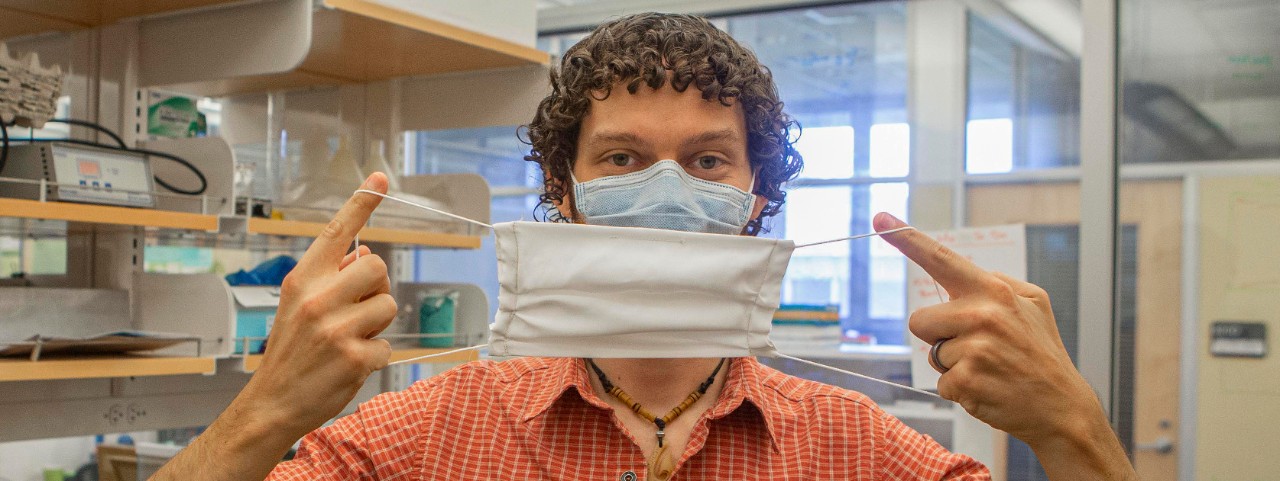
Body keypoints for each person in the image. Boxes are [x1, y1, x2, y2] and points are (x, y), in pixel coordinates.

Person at [152, 13, 1137, 480]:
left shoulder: (855, 447)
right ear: (560, 192)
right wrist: (266, 407)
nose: (667, 190)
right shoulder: (411, 441)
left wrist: (1074, 434)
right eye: (622, 156)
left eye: (708, 162)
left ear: (759, 199)